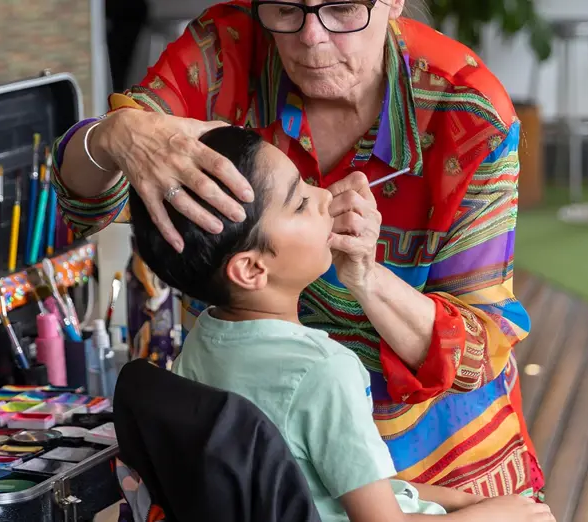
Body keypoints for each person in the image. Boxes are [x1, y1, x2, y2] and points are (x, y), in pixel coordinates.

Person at [51, 0, 543, 502]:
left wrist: (368, 278)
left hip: (431, 474)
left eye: (343, 8)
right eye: (286, 8)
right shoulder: (227, 49)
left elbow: (475, 353)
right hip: (247, 472)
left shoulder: (466, 113)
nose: (311, 37)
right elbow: (86, 206)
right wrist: (116, 134)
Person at [130, 125, 554, 522]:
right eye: (299, 202)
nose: (324, 196)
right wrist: (495, 516)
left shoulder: (204, 337)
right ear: (252, 269)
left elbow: (359, 487)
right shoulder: (323, 370)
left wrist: (469, 502)